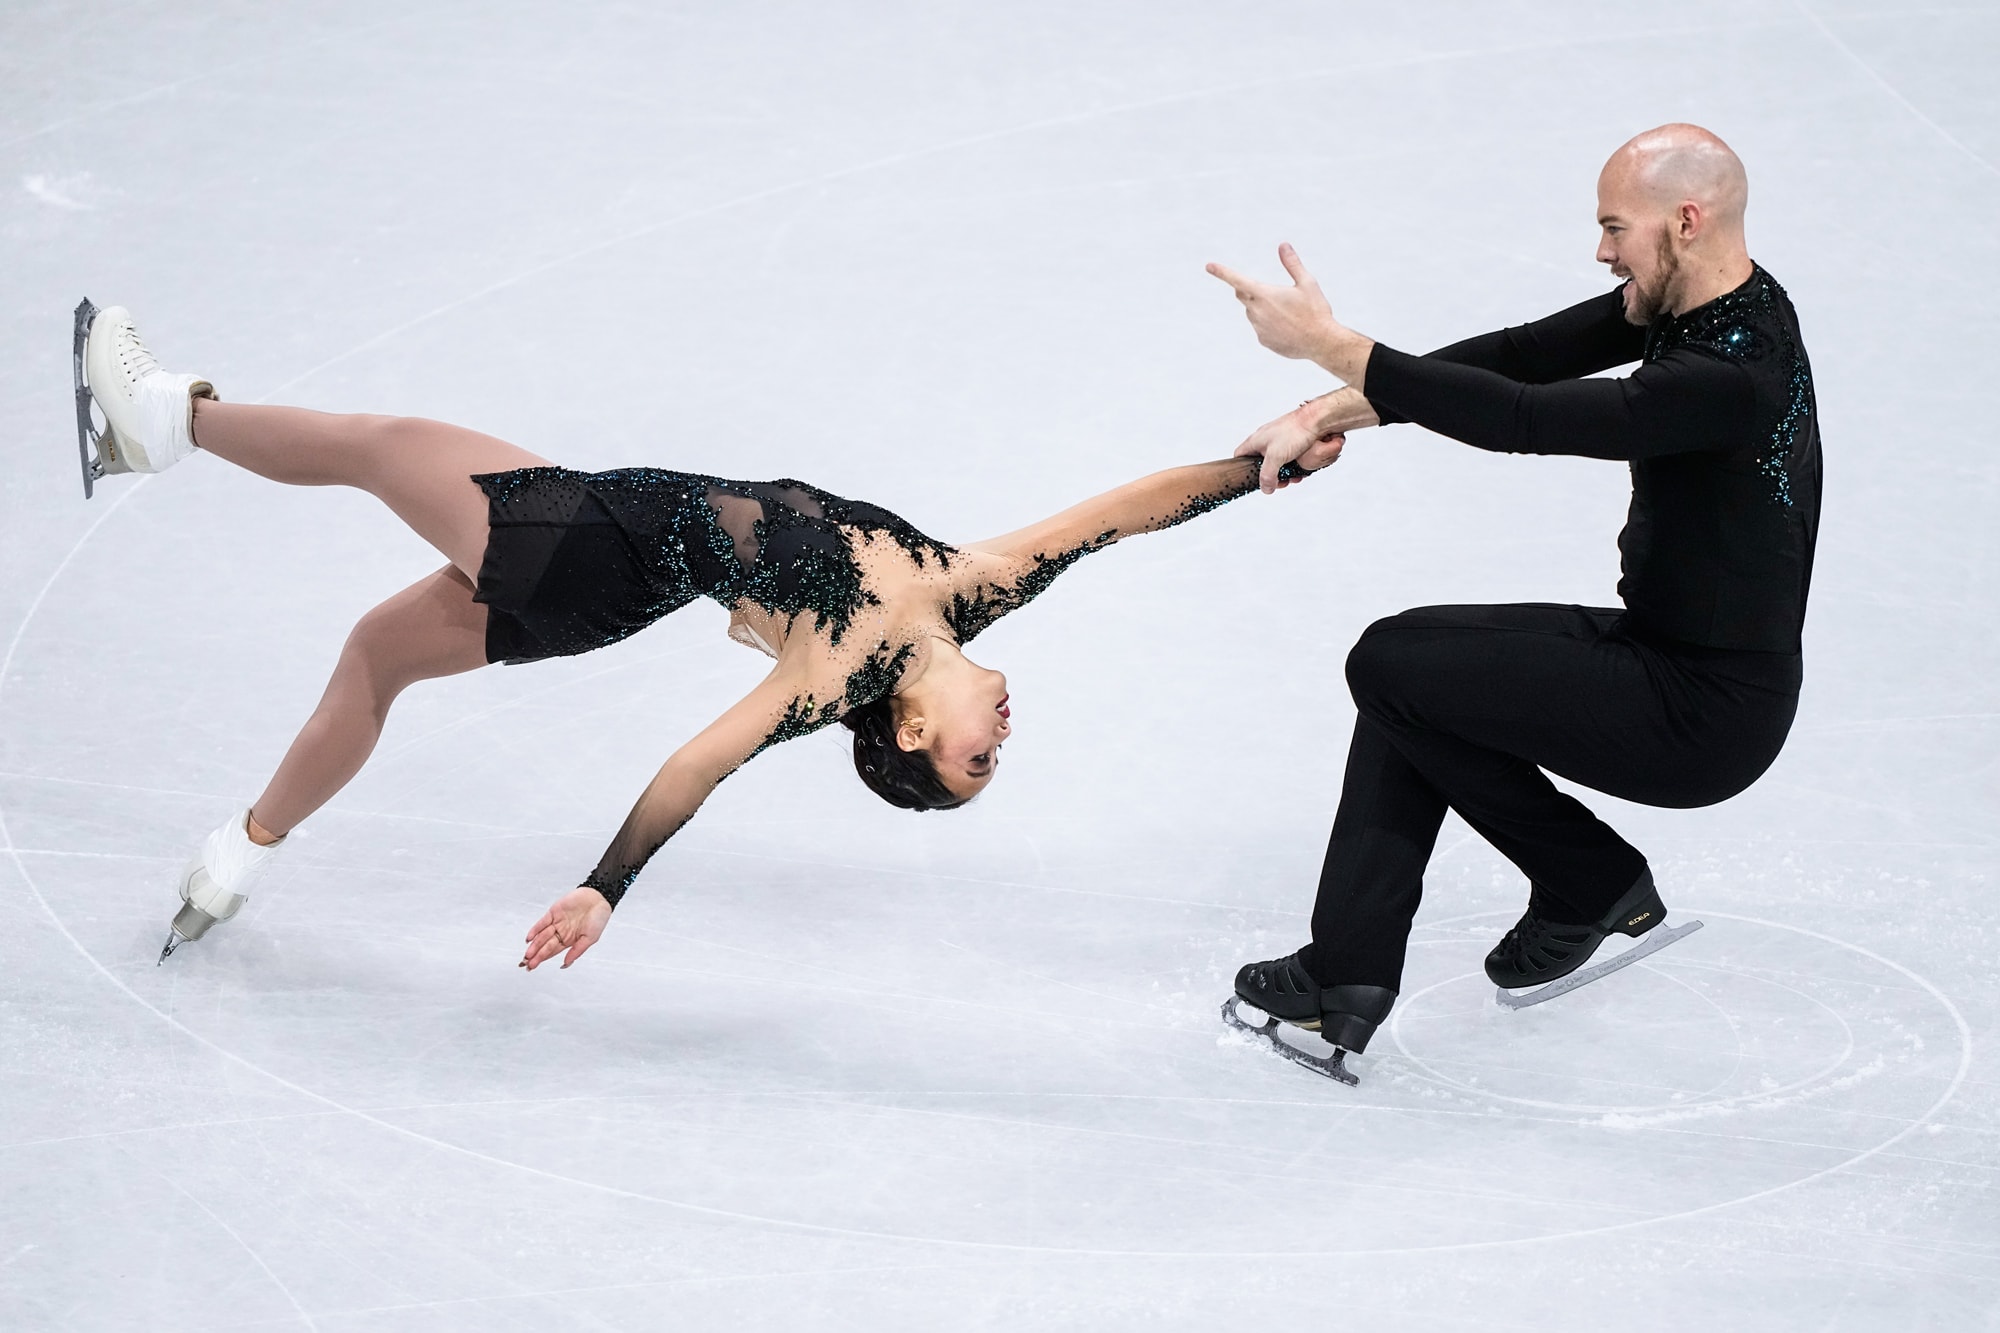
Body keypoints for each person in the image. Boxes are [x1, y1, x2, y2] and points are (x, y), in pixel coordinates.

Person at [72, 303, 1337, 969]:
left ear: (904, 726)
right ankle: (235, 859)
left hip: (589, 545)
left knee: (372, 447)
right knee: (376, 656)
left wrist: (605, 883)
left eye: (973, 762)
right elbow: (1123, 515)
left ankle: (161, 419)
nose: (999, 740)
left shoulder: (836, 664)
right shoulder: (976, 587)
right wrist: (1259, 466)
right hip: (606, 558)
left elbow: (692, 765)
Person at [1204, 123, 1819, 1064]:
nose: (1603, 250)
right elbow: (1517, 358)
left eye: (1617, 227)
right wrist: (1330, 409)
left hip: (1705, 711)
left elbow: (1522, 421)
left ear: (1686, 221)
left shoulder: (1732, 371)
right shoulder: (1694, 299)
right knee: (1411, 671)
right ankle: (1363, 969)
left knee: (1394, 661)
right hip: (1663, 652)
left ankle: (1574, 882)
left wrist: (1332, 347)